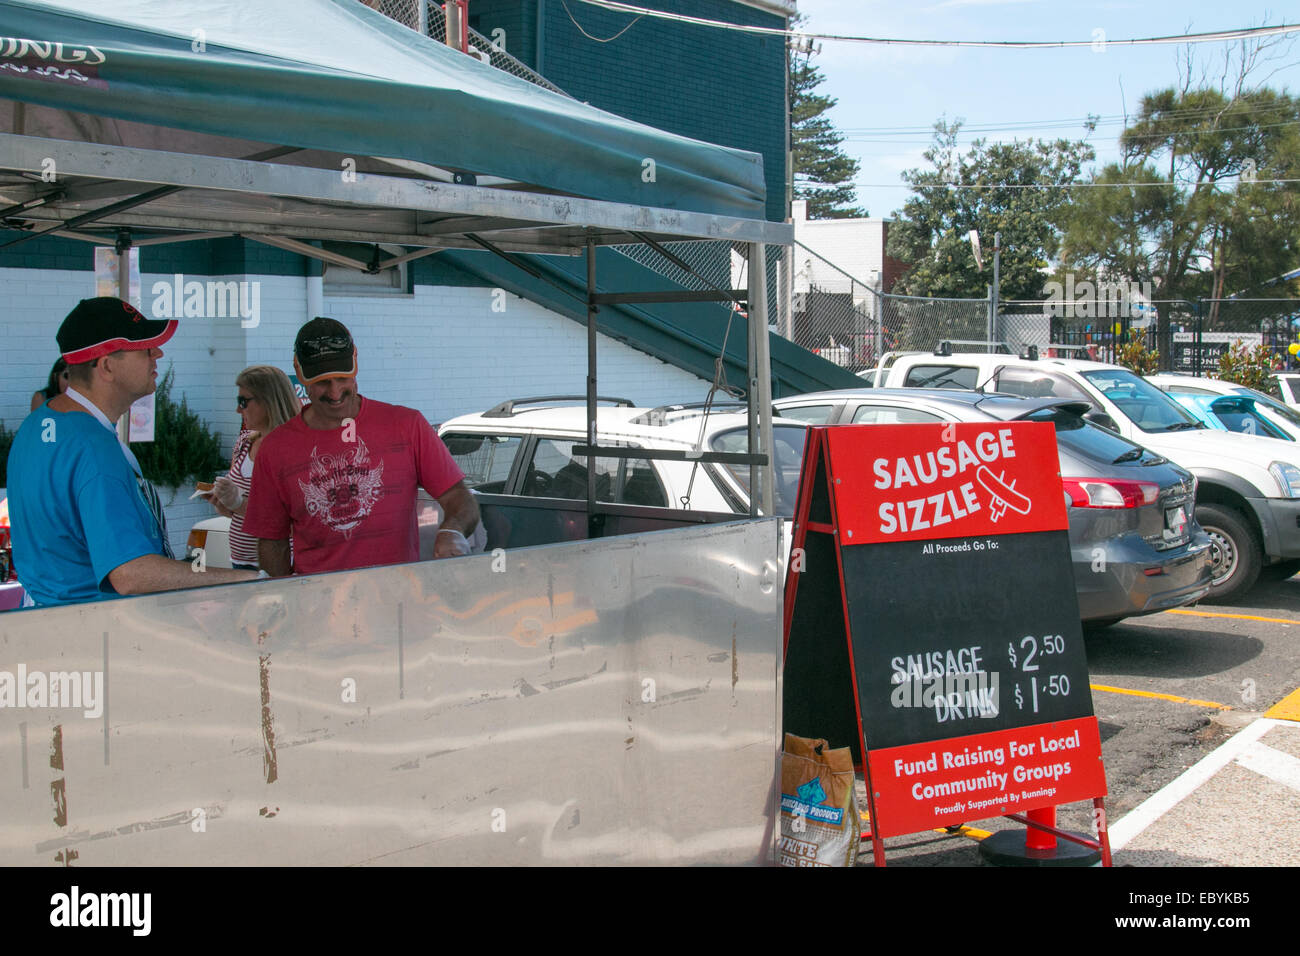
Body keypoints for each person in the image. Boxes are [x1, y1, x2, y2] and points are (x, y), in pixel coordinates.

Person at [6, 297, 259, 606]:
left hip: (43, 621)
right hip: (95, 633)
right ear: (107, 366)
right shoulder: (94, 450)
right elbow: (131, 573)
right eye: (144, 348)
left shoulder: (37, 423)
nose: (158, 354)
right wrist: (245, 579)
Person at [242, 317, 479, 576]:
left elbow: (459, 498)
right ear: (300, 373)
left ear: (355, 363)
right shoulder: (276, 449)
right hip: (320, 605)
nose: (335, 392)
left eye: (342, 378)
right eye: (322, 382)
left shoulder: (406, 425)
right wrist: (284, 598)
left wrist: (452, 529)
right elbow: (272, 541)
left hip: (397, 597)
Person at [206, 365, 300, 570]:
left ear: (269, 401)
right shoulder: (244, 442)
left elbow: (292, 521)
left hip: (279, 564)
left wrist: (237, 502)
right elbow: (237, 514)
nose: (238, 410)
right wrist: (222, 502)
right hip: (241, 560)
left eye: (243, 402)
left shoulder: (292, 449)